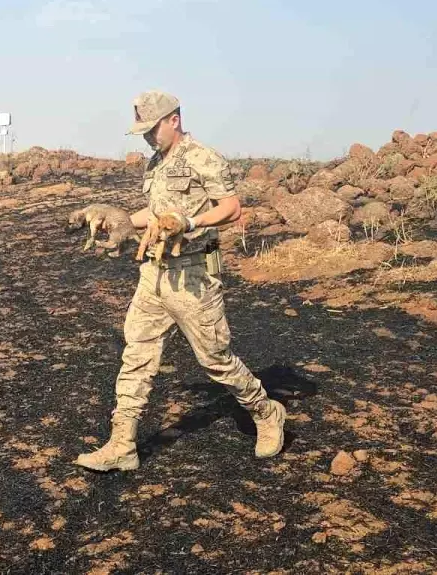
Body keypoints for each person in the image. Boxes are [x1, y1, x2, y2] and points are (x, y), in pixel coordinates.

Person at [74, 90, 286, 472]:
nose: (146, 137)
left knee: (215, 360)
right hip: (154, 273)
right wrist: (120, 220)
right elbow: (155, 213)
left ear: (174, 120)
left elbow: (231, 208)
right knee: (136, 353)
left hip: (194, 275)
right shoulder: (156, 162)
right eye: (142, 131)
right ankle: (122, 445)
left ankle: (266, 412)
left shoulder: (204, 157)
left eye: (151, 129)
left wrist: (190, 222)